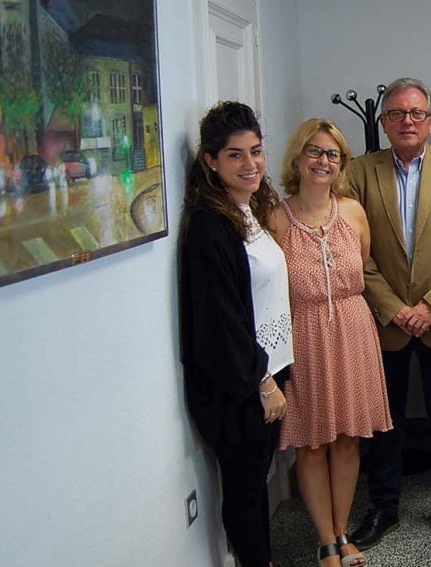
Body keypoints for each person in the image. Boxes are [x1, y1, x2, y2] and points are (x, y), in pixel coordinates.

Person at [345, 78, 431, 548]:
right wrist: (392, 307)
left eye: (417, 114)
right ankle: (383, 507)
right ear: (384, 122)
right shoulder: (358, 173)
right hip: (384, 322)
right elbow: (352, 252)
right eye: (398, 114)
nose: (408, 121)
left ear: (430, 121)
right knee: (383, 420)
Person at [270, 119, 392, 567]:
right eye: (315, 152)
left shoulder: (354, 212)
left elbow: (360, 265)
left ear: (342, 163)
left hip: (353, 331)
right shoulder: (277, 218)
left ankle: (343, 531)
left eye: (333, 154)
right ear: (298, 158)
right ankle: (324, 540)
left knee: (347, 439)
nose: (323, 161)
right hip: (304, 336)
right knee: (312, 443)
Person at [179, 101, 292, 567]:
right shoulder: (210, 225)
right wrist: (262, 383)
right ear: (210, 160)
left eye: (257, 151)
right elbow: (220, 319)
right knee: (246, 493)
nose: (251, 165)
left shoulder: (246, 212)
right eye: (235, 155)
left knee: (255, 486)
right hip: (242, 388)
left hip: (267, 374)